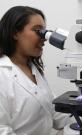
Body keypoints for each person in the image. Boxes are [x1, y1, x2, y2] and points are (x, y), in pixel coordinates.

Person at [0, 6, 69, 135]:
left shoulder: (34, 69)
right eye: (38, 30)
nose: (44, 37)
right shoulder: (2, 74)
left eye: (44, 31)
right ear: (15, 33)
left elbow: (52, 110)